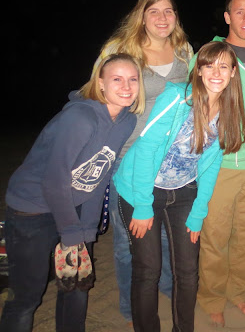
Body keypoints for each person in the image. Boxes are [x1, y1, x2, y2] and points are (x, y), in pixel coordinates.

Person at [0, 54, 143, 332]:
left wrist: (86, 230)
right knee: (27, 296)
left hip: (73, 204)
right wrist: (71, 233)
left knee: (77, 285)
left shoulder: (126, 121)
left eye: (132, 79)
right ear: (100, 83)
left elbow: (99, 178)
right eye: (117, 79)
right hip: (32, 208)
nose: (126, 87)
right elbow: (54, 181)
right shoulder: (81, 118)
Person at [113, 41, 245, 332]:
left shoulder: (229, 110)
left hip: (184, 191)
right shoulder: (177, 98)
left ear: (233, 72)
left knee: (187, 271)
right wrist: (143, 205)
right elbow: (146, 148)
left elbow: (211, 164)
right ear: (198, 70)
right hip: (141, 189)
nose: (216, 73)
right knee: (148, 269)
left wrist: (199, 211)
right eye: (209, 65)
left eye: (224, 66)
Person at [94, 0, 193, 323]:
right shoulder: (120, 49)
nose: (162, 18)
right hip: (128, 158)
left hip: (171, 161)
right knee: (128, 239)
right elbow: (97, 93)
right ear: (142, 15)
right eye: (154, 11)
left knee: (162, 232)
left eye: (168, 11)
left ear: (175, 16)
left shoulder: (184, 51)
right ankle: (129, 303)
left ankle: (163, 286)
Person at [195, 0, 245, 327]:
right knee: (215, 235)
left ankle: (240, 292)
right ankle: (212, 297)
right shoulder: (211, 54)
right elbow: (192, 101)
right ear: (227, 17)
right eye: (239, 11)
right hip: (221, 164)